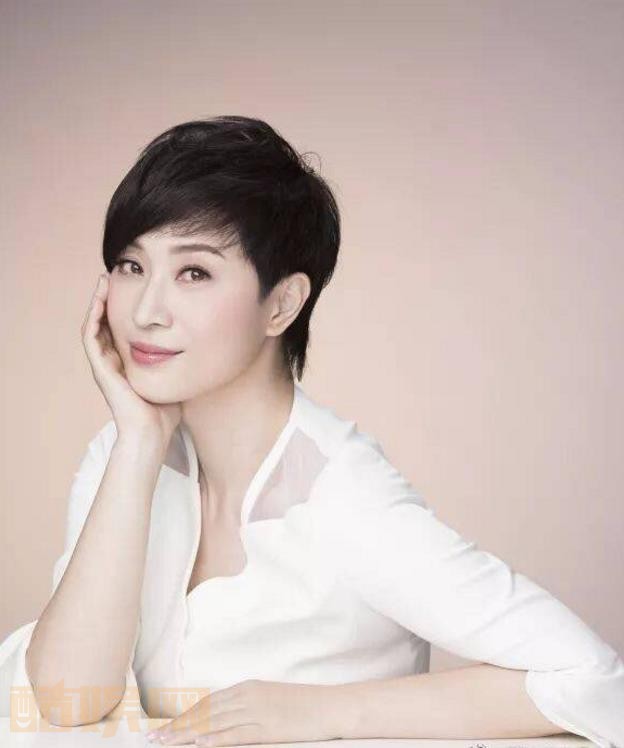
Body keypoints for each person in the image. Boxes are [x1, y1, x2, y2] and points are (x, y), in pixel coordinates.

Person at [0, 116, 622, 747]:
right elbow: (67, 701)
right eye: (131, 266)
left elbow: (594, 679)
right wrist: (137, 444)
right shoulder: (124, 455)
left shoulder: (339, 494)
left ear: (281, 305)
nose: (145, 311)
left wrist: (322, 713)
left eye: (194, 273)